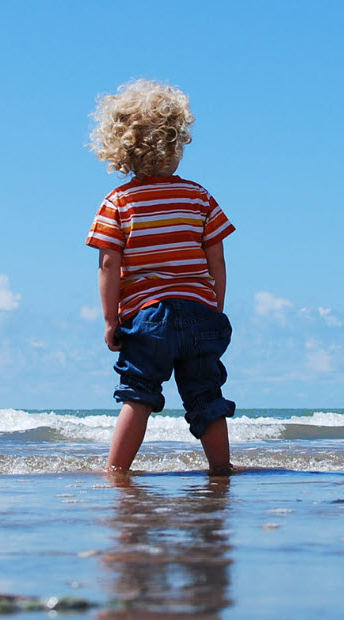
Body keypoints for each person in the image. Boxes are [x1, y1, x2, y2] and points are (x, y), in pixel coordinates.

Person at [86, 78, 236, 475]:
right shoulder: (199, 197)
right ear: (177, 143)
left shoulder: (118, 203)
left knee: (138, 395)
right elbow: (216, 258)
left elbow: (108, 265)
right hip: (200, 313)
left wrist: (110, 320)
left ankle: (117, 471)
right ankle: (221, 469)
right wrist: (214, 305)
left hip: (148, 318)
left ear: (122, 149)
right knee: (206, 395)